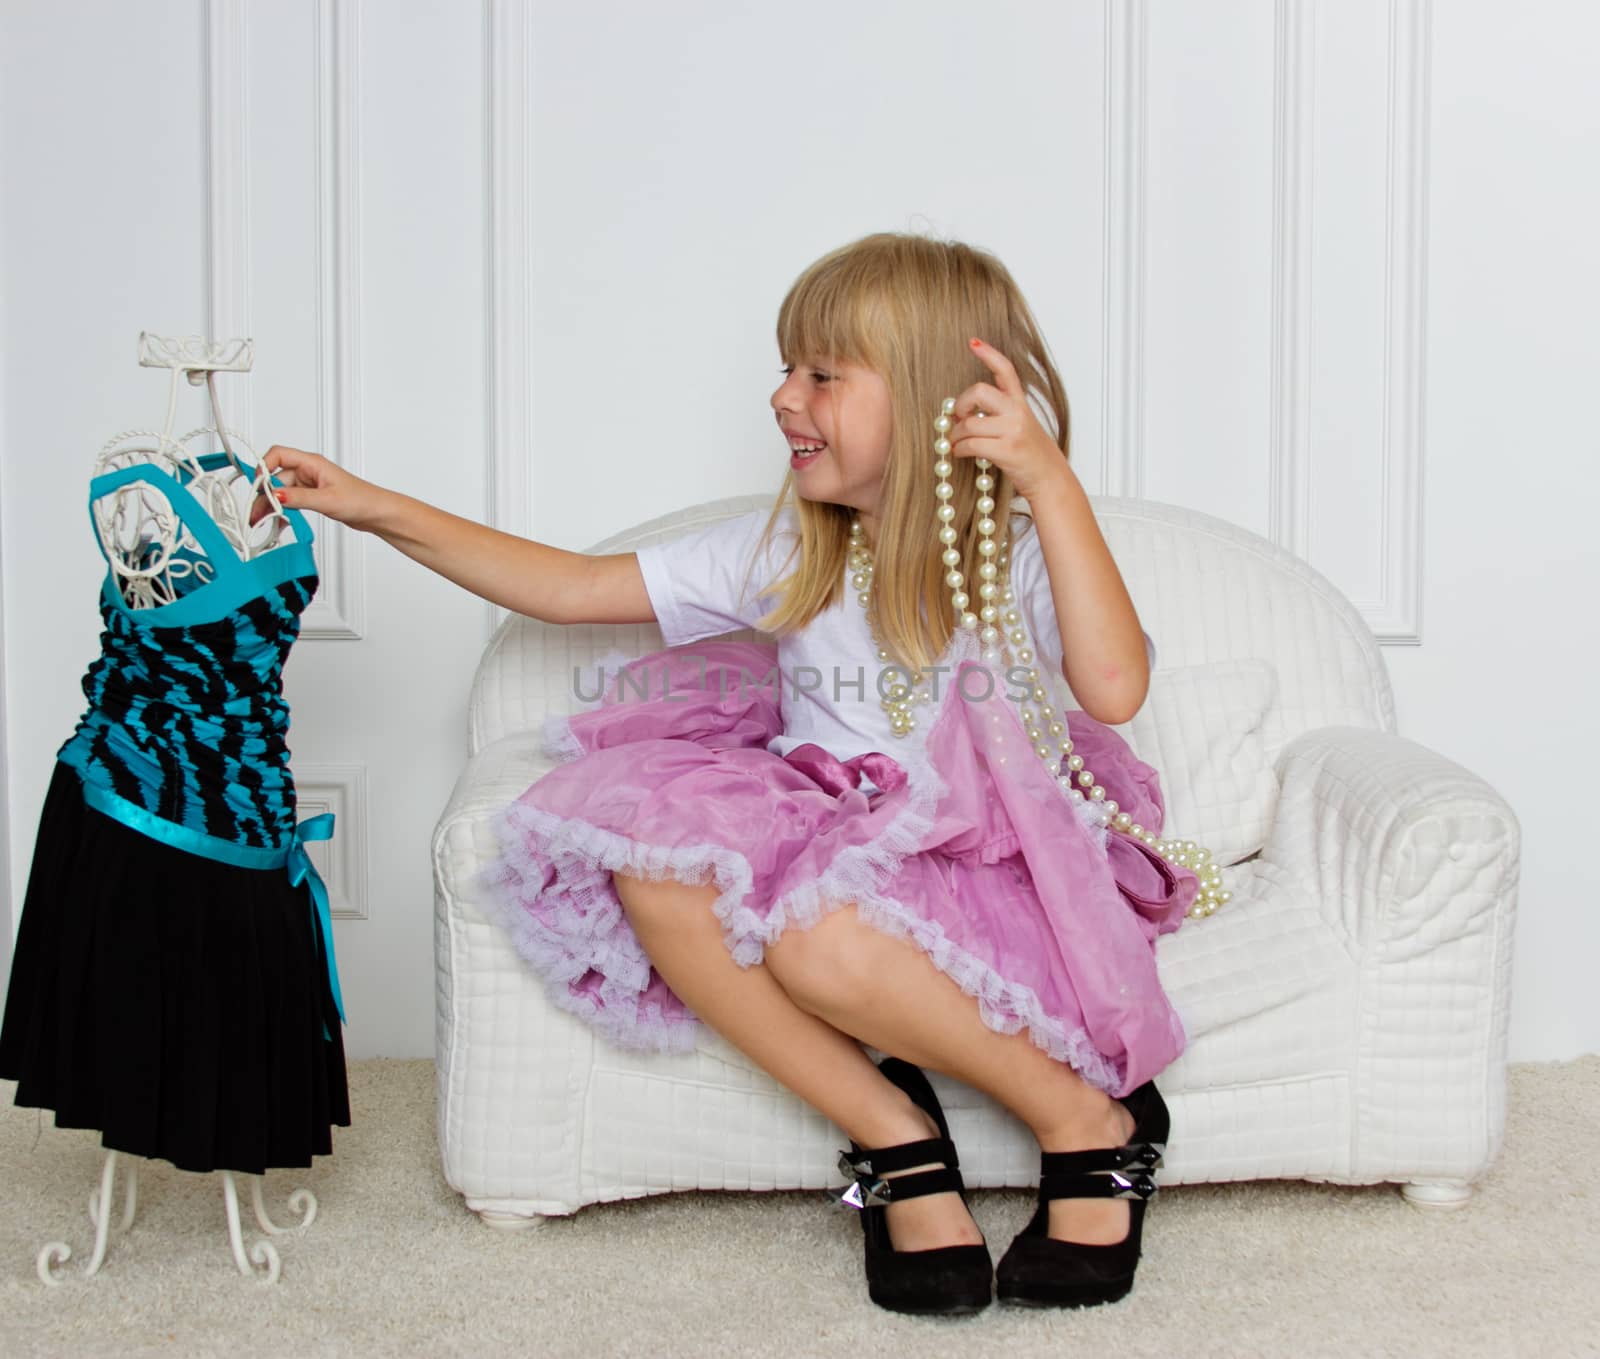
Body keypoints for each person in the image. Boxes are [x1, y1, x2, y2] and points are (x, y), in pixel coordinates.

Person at [256, 231, 1208, 1315]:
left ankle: (1086, 1121)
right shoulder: (792, 555)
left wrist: (1048, 482)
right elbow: (567, 589)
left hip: (969, 851)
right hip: (819, 822)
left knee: (814, 938)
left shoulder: (1012, 553)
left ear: (937, 403)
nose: (779, 397)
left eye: (819, 375)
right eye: (784, 366)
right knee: (651, 860)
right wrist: (371, 505)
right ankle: (896, 1137)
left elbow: (1115, 684)